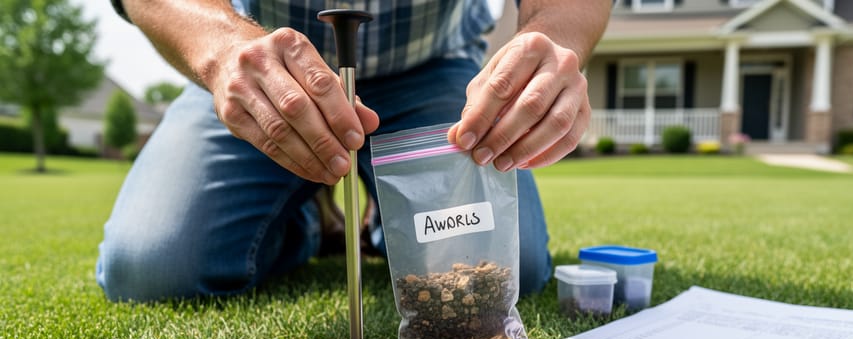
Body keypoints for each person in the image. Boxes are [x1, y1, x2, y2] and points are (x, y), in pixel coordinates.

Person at [97, 0, 612, 302]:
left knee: (498, 270)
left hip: (433, 70)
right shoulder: (242, 59)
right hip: (255, 66)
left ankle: (394, 225)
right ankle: (309, 224)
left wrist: (552, 36)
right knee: (151, 267)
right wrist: (222, 52)